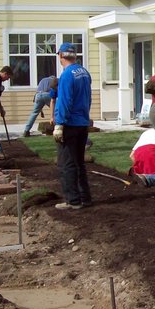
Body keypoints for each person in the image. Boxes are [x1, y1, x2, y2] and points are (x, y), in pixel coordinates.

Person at [53, 43, 93, 210]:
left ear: (61, 56)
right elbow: (87, 98)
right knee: (79, 162)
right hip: (82, 123)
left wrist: (59, 124)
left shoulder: (67, 75)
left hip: (69, 124)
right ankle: (85, 198)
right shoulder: (84, 73)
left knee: (67, 163)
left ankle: (73, 200)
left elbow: (64, 101)